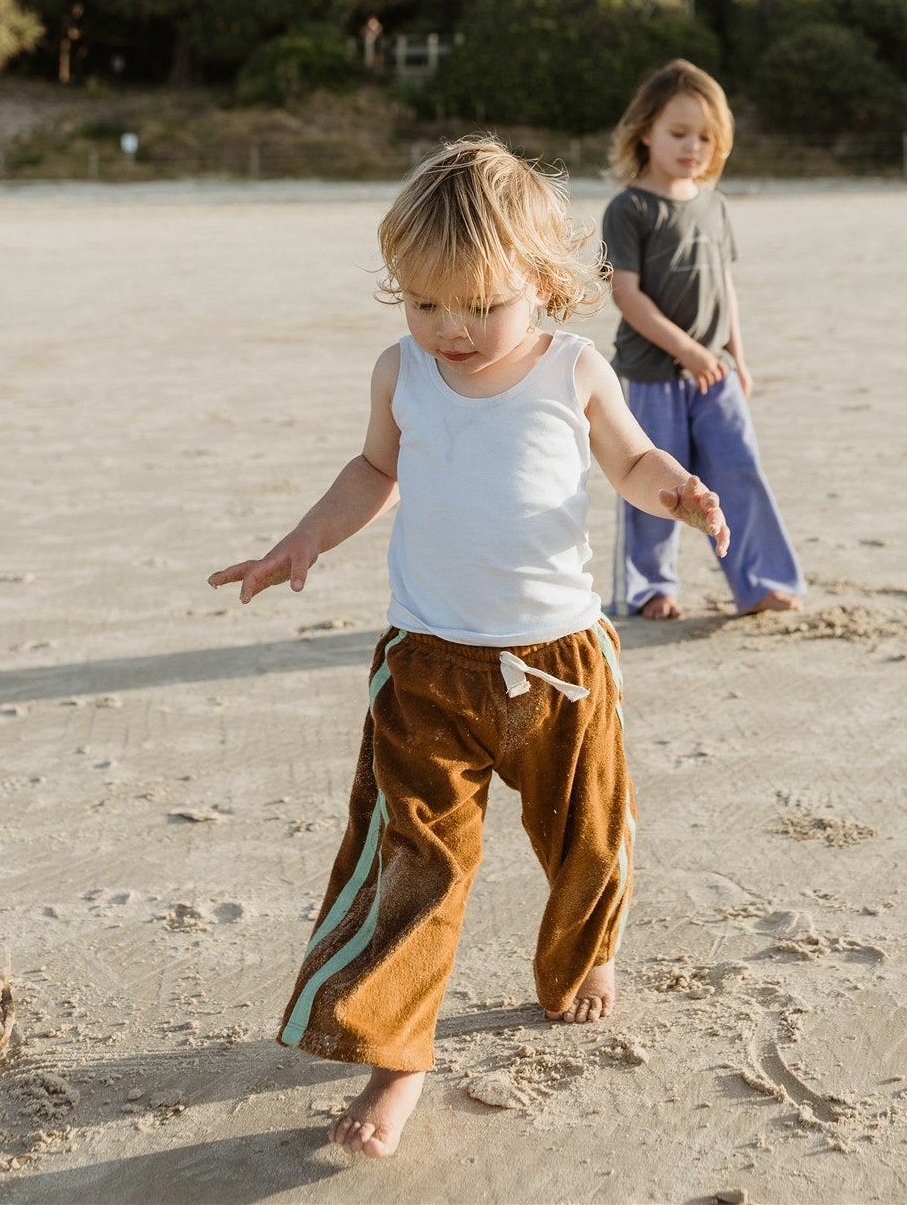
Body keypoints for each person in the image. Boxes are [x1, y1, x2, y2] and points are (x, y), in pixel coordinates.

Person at [208, 138, 729, 1160]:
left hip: (562, 665)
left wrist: (675, 489)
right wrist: (303, 538)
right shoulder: (401, 370)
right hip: (428, 668)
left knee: (588, 836)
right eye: (423, 302)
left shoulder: (573, 365)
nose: (450, 329)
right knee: (414, 862)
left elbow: (629, 459)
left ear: (541, 282)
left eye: (478, 305)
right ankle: (399, 1052)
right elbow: (374, 468)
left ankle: (583, 956)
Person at [602, 58, 805, 621]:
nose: (693, 147)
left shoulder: (714, 205)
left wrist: (736, 356)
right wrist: (685, 351)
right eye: (679, 133)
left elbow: (725, 287)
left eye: (706, 137)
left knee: (739, 470)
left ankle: (760, 581)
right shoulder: (629, 209)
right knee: (652, 484)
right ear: (645, 131)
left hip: (715, 376)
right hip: (651, 376)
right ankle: (649, 589)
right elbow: (627, 295)